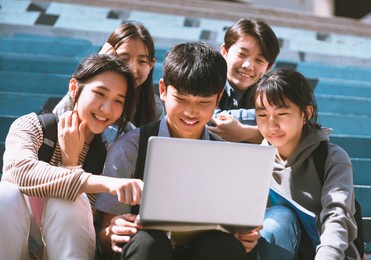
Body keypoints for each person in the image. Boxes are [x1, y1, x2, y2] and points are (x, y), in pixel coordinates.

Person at [95, 42, 262, 260]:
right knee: (148, 243)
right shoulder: (131, 148)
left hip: (202, 251)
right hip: (147, 252)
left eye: (204, 102)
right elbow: (105, 237)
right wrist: (113, 232)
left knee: (224, 246)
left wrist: (245, 237)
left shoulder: (226, 155)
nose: (191, 112)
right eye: (181, 99)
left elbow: (239, 227)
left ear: (218, 99)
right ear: (163, 90)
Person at [0, 54, 144, 260]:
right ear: (74, 88)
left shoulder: (108, 153)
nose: (106, 109)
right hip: (16, 239)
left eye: (118, 101)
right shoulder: (33, 127)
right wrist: (103, 182)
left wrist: (71, 164)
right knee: (6, 194)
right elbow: (19, 172)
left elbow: (85, 221)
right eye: (100, 94)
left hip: (67, 249)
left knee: (69, 202)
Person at [251, 68, 359, 259]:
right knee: (277, 221)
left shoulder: (331, 158)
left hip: (327, 254)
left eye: (282, 114)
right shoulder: (257, 159)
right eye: (262, 115)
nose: (271, 125)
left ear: (306, 114)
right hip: (278, 248)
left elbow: (337, 214)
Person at [53, 21, 164, 146]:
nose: (132, 69)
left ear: (151, 65)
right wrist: (96, 67)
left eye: (142, 61)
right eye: (123, 58)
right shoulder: (86, 93)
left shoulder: (154, 107)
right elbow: (56, 121)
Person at [208, 18, 280, 143]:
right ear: (224, 51)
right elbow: (208, 119)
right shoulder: (206, 79)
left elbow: (295, 129)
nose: (248, 65)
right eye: (241, 54)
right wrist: (267, 126)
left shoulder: (271, 94)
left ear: (268, 67)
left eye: (259, 60)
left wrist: (250, 133)